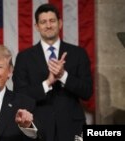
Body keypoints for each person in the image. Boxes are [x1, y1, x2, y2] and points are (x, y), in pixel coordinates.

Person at [12, 3, 93, 141]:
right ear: (36, 26)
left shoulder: (78, 53)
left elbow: (87, 92)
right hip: (39, 128)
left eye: (52, 21)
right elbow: (20, 95)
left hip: (72, 127)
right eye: (43, 22)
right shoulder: (24, 57)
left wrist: (63, 76)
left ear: (60, 23)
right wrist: (47, 83)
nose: (48, 25)